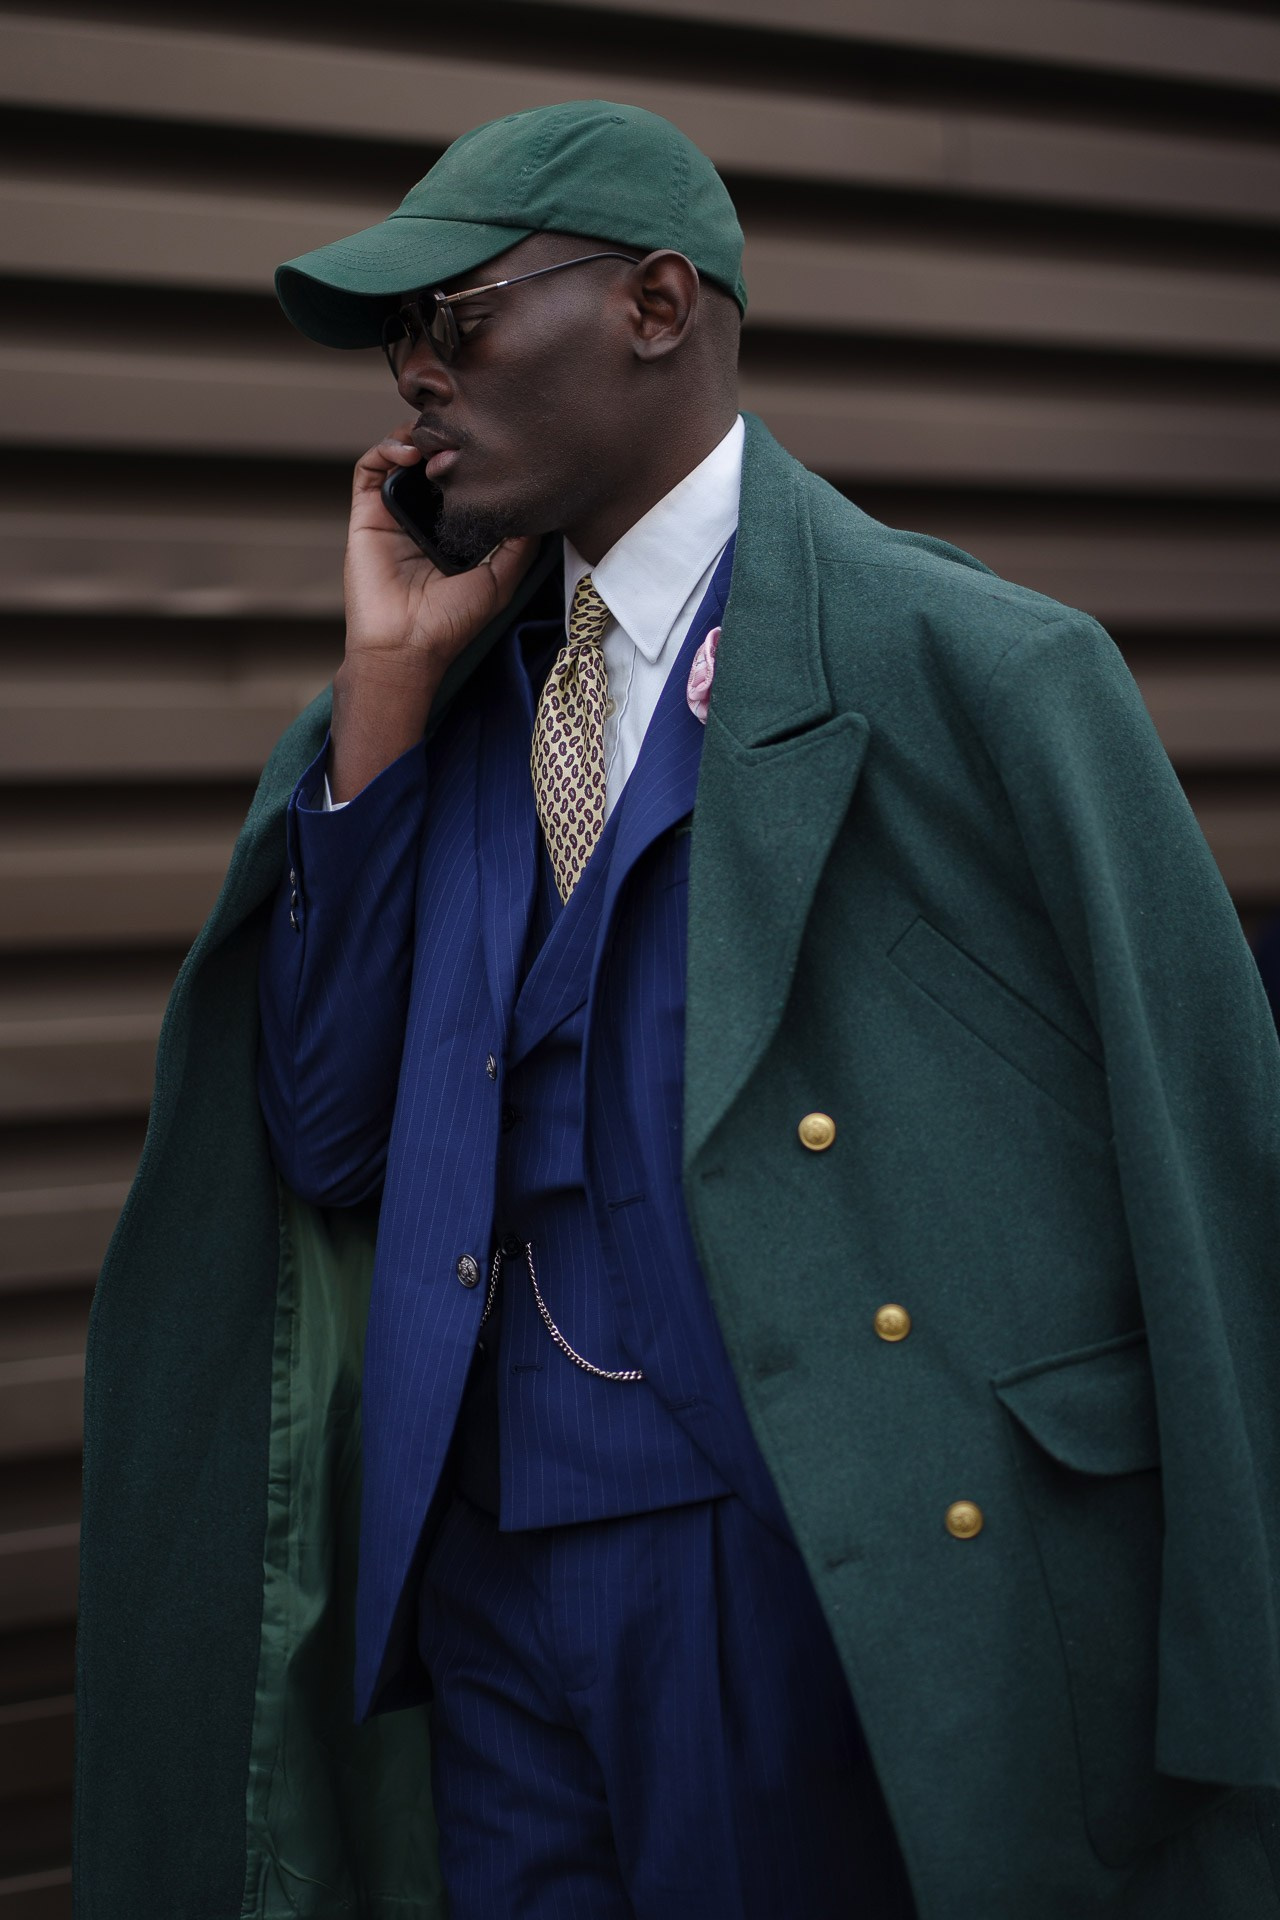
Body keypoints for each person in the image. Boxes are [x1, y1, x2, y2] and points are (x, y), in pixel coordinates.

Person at [75, 101, 1280, 1920]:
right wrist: (381, 700)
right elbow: (324, 1136)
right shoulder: (445, 701)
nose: (415, 376)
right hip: (480, 1581)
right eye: (398, 341)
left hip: (805, 1549)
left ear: (653, 305)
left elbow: (1211, 1171)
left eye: (455, 318)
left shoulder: (980, 671)